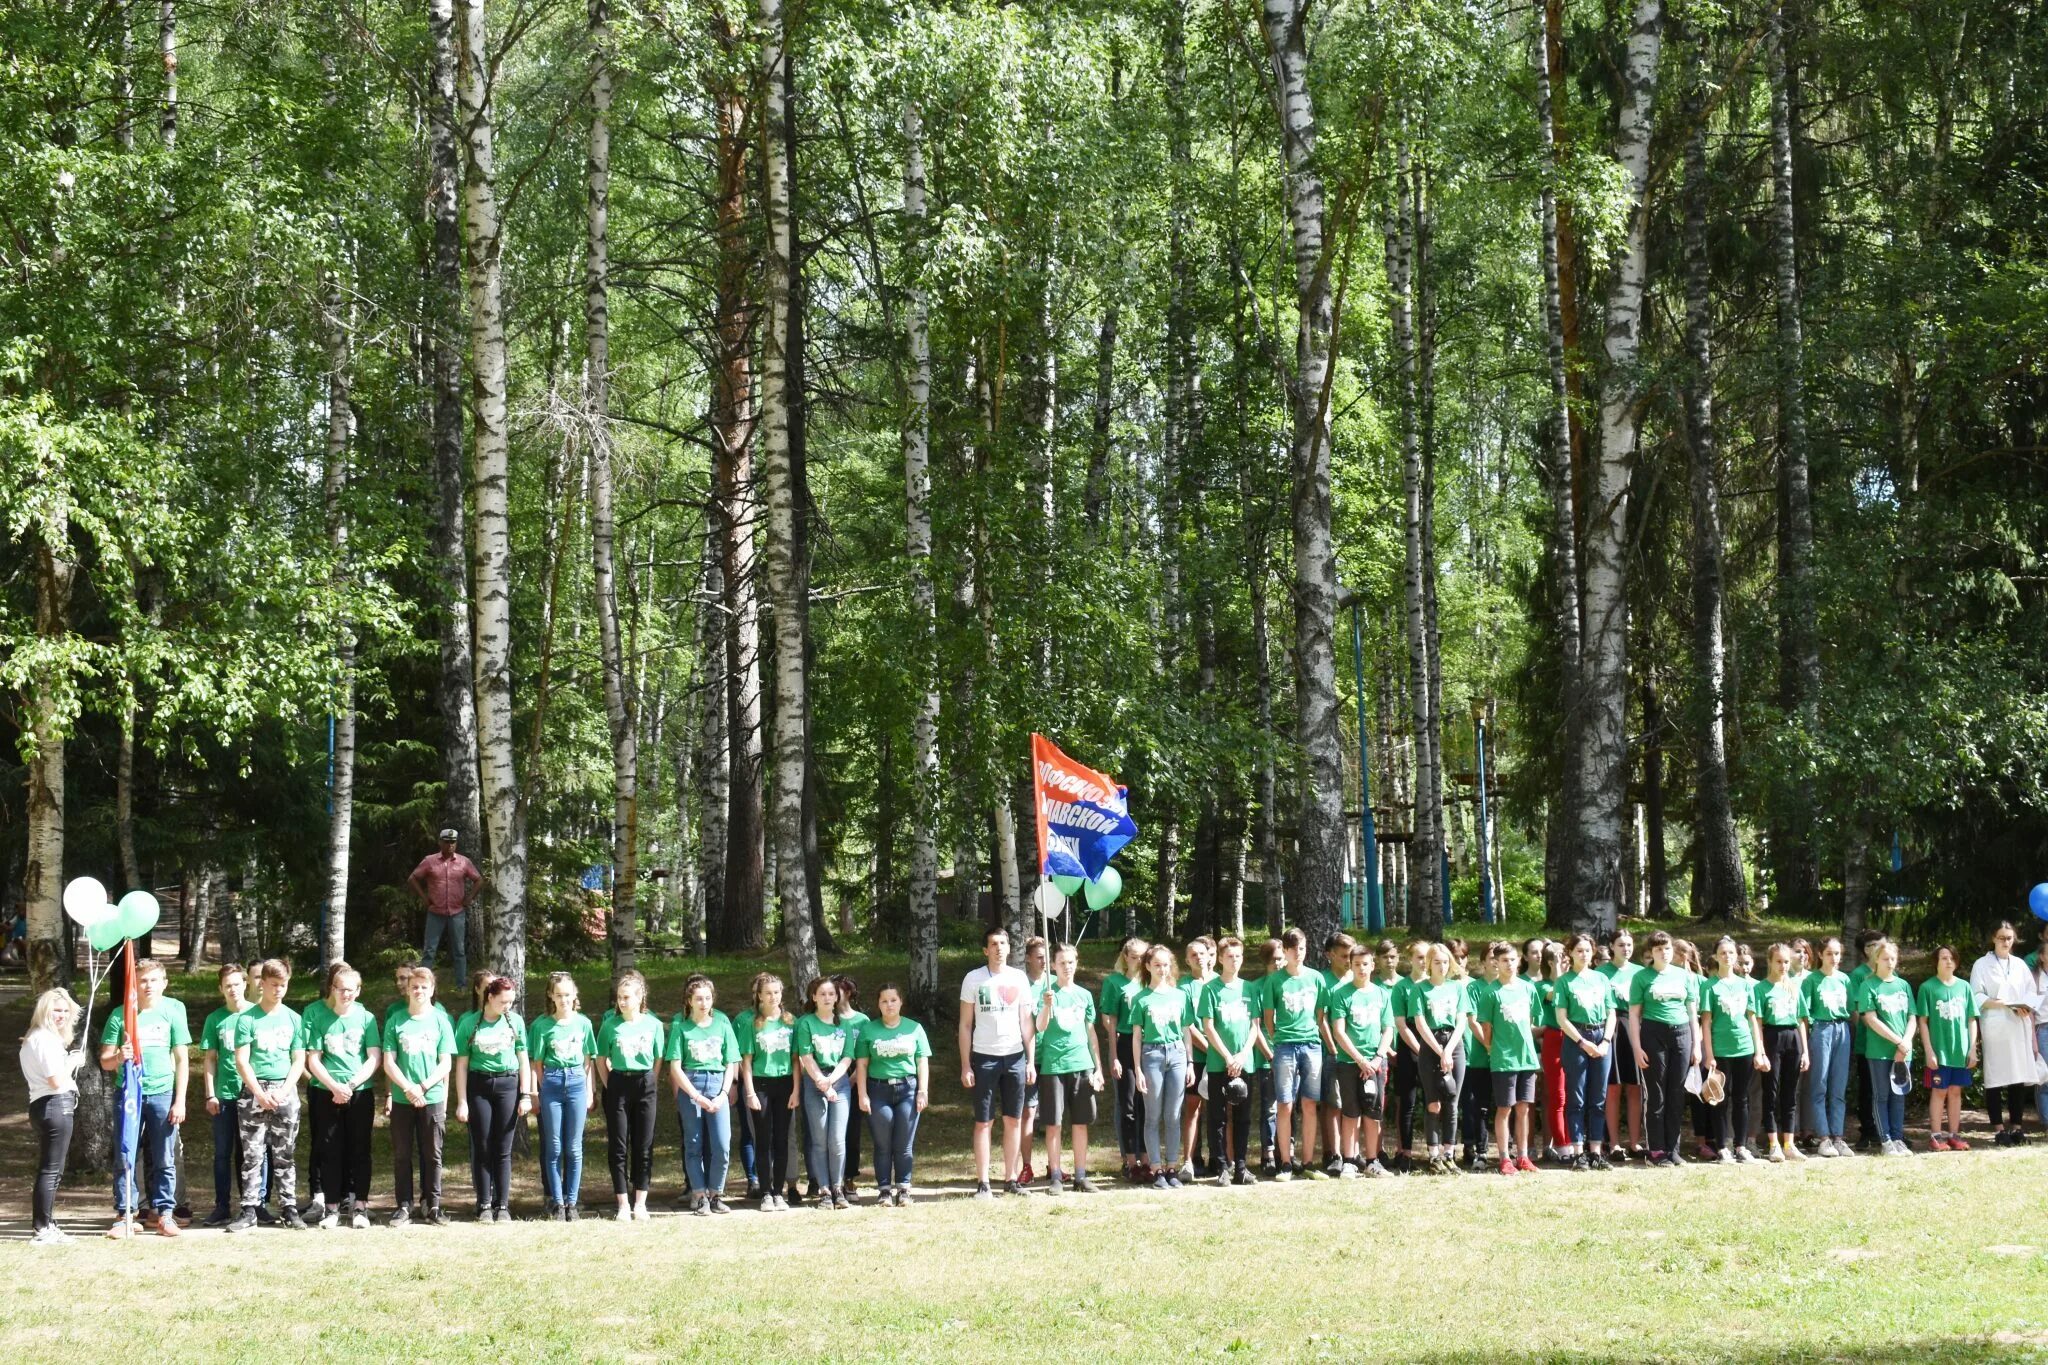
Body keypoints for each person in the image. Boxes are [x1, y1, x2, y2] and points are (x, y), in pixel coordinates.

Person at [97, 955, 190, 1239]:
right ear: (134, 984)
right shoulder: (120, 1014)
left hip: (162, 1093)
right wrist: (118, 1056)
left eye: (154, 980)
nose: (148, 985)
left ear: (164, 983)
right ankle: (126, 1214)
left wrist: (180, 1099)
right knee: (126, 1154)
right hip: (129, 1094)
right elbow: (104, 1061)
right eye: (142, 980)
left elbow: (182, 1058)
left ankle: (164, 1214)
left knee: (165, 1157)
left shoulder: (174, 1010)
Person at [227, 959, 306, 1232]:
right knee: (252, 1154)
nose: (279, 990)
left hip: (285, 1089)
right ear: (262, 984)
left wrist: (283, 1091)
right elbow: (242, 1061)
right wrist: (259, 1093)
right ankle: (249, 1209)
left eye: (283, 985)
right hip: (254, 1091)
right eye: (274, 985)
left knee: (285, 1154)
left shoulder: (294, 1018)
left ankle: (288, 1208)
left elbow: (298, 1060)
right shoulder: (247, 1019)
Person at [302, 962, 381, 1229]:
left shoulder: (366, 1018)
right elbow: (313, 1059)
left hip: (359, 1093)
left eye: (350, 990)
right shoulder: (319, 1018)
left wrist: (351, 1083)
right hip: (327, 1093)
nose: (345, 994)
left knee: (360, 1150)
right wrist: (335, 1087)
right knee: (330, 1150)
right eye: (340, 989)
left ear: (358, 991)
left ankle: (359, 1207)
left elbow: (373, 1057)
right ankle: (332, 1209)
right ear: (332, 989)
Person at [958, 926, 1036, 1198]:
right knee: (984, 1122)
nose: (999, 948)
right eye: (993, 943)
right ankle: (983, 1182)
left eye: (1003, 943)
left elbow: (1027, 1022)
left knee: (1013, 1119)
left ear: (1009, 948)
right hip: (984, 1057)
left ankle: (1011, 1179)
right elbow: (966, 1025)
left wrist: (1030, 1061)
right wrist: (966, 1064)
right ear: (985, 949)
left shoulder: (1019, 978)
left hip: (1015, 1057)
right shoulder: (973, 979)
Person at [454, 975, 531, 1222]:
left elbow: (524, 1061)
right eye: (503, 1001)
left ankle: (503, 1205)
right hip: (479, 1085)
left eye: (511, 1001)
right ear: (489, 997)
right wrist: (462, 1101)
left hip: (508, 1085)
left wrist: (526, 1095)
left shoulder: (515, 1022)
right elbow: (462, 1066)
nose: (507, 1006)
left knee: (503, 1149)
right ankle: (484, 1203)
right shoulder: (468, 1023)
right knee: (483, 1146)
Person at [384, 966, 456, 1226]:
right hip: (404, 1098)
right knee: (402, 1153)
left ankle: (433, 1205)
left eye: (424, 987)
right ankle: (404, 1205)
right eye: (415, 986)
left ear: (432, 990)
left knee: (432, 1154)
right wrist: (408, 1088)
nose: (419, 991)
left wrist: (423, 1087)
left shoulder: (441, 1021)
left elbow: (445, 1062)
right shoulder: (396, 1020)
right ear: (408, 989)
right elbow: (389, 1062)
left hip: (432, 1096)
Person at [666, 974, 740, 1214]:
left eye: (708, 998)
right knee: (694, 1143)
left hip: (718, 1083)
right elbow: (675, 1066)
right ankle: (699, 1195)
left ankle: (716, 1193)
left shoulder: (723, 1024)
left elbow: (731, 1062)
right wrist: (695, 1096)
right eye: (698, 998)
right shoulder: (681, 1027)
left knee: (721, 1144)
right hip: (692, 1084)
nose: (704, 1003)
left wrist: (723, 1093)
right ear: (689, 1001)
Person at [595, 970, 664, 1220]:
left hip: (645, 1084)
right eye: (619, 997)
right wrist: (610, 1084)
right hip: (618, 1085)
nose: (622, 1002)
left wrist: (651, 1079)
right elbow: (600, 1059)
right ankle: (623, 1203)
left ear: (639, 997)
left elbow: (658, 1057)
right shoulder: (609, 1025)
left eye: (627, 997)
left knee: (643, 1146)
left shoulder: (654, 1024)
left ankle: (640, 1203)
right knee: (619, 1146)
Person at [528, 971, 598, 1219]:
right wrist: (540, 1087)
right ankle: (557, 1202)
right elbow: (536, 1061)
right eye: (559, 995)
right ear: (551, 996)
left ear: (575, 995)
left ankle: (572, 1202)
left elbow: (589, 1059)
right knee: (554, 1146)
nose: (564, 999)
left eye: (568, 995)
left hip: (577, 1081)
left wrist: (590, 1090)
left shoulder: (584, 1023)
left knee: (574, 1147)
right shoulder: (541, 1025)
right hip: (553, 1082)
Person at [1628, 931, 1700, 1168]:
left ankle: (1673, 1149)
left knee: (1676, 1095)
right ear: (1651, 953)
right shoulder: (1641, 977)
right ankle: (1656, 1151)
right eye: (1658, 949)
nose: (1663, 953)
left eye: (1667, 948)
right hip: (1653, 1035)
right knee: (1656, 1095)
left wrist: (1696, 1046)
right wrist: (1637, 1048)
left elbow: (1692, 1013)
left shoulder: (1684, 976)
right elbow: (1634, 1015)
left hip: (1682, 1035)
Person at [1035, 942, 1104, 1194]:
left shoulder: (1084, 995)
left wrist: (1098, 1068)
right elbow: (1040, 1027)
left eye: (1071, 962)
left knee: (1081, 1122)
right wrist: (1046, 1005)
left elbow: (1091, 1033)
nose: (1067, 967)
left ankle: (1081, 1175)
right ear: (1053, 965)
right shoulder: (1046, 993)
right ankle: (1055, 1175)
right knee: (1053, 1123)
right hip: (1053, 1066)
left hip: (1081, 1064)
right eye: (1062, 963)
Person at [855, 983, 931, 1206]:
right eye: (884, 1001)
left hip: (908, 1089)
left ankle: (904, 1189)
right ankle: (884, 1190)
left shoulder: (914, 1028)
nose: (889, 1005)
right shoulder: (869, 1030)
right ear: (878, 1004)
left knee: (904, 1143)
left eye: (893, 1000)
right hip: (878, 1090)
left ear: (901, 1002)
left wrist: (922, 1091)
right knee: (883, 1144)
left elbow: (922, 1062)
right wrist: (862, 1094)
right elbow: (861, 1065)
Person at [1263, 928, 1329, 1180]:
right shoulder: (1274, 980)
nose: (1298, 954)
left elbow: (1320, 1015)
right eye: (1292, 950)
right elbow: (1269, 1019)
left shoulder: (1316, 978)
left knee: (1310, 1103)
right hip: (1285, 1047)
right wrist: (1279, 1038)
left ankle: (1309, 1162)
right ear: (1285, 951)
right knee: (1285, 1104)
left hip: (1311, 1045)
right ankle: (1287, 1163)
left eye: (1301, 948)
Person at [1327, 941, 1397, 1176]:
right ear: (1351, 965)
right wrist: (1359, 1060)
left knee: (1373, 1112)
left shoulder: (1381, 994)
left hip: (1376, 1063)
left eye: (1365, 964)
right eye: (1356, 964)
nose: (1361, 968)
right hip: (1349, 1063)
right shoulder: (1341, 994)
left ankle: (1373, 1161)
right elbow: (1339, 1031)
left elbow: (1389, 1029)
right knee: (1351, 1111)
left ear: (1372, 965)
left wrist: (1377, 1058)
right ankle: (1348, 1160)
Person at [1129, 944, 1195, 1189]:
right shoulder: (1141, 998)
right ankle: (1155, 1168)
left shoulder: (1180, 996)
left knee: (1174, 1115)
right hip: (1152, 1054)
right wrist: (1137, 1070)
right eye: (1156, 964)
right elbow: (1136, 1036)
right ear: (1147, 966)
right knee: (1153, 1115)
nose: (1162, 969)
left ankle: (1171, 1167)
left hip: (1177, 1053)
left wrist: (1190, 1062)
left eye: (1166, 964)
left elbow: (1187, 1031)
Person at [22, 988, 84, 1244]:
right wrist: (73, 1061)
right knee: (51, 1170)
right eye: (56, 1010)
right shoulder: (44, 1039)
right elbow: (56, 1080)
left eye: (65, 1011)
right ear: (44, 1010)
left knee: (52, 1169)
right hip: (54, 1104)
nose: (61, 1015)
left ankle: (47, 1224)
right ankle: (42, 1229)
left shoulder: (38, 1038)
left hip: (45, 1105)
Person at [1200, 936, 1263, 1186]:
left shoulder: (1250, 989)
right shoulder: (1211, 989)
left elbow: (1254, 1026)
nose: (1234, 961)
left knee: (1243, 1117)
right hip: (1219, 1063)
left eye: (1238, 956)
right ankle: (1222, 1167)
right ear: (1221, 959)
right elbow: (1208, 1026)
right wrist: (1227, 1056)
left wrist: (1243, 1054)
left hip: (1244, 1063)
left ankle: (1241, 1166)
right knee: (1217, 1117)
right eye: (1229, 956)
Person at [200, 965, 259, 1225]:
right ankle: (222, 1205)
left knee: (254, 1153)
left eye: (237, 984)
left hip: (254, 1093)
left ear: (246, 984)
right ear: (220, 989)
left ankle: (257, 1205)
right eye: (228, 985)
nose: (233, 989)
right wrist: (210, 1094)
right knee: (223, 1152)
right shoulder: (215, 1019)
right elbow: (210, 1059)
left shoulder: (257, 1015)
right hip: (224, 1094)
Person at [1552, 933, 1616, 1171]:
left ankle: (1596, 1152)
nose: (1583, 954)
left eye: (1587, 950)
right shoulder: (1564, 982)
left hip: (1602, 1038)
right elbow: (1561, 1018)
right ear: (1570, 953)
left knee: (1598, 1098)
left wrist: (1606, 1041)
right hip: (1575, 1039)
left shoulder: (1601, 979)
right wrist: (1582, 1042)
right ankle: (1579, 1153)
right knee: (1576, 1097)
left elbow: (1611, 1012)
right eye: (1579, 950)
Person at [1969, 922, 2036, 1145]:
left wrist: (2026, 1006)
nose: (2005, 942)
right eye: (2001, 937)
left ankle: (2016, 1127)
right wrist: (1998, 1004)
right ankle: (1999, 1129)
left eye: (2009, 938)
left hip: (2018, 1025)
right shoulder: (1982, 964)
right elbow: (1975, 995)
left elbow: (2030, 991)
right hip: (1995, 1025)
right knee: (1996, 1077)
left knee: (2017, 1076)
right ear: (1993, 939)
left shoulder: (2019, 965)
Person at [1475, 942, 1539, 1175]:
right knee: (1505, 1109)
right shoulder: (1490, 993)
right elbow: (1486, 1029)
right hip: (1504, 1060)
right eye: (1504, 960)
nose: (1509, 964)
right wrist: (1494, 1049)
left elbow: (1531, 1022)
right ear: (1496, 963)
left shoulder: (1528, 989)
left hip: (1527, 1059)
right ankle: (1504, 1158)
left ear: (1518, 961)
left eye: (1512, 959)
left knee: (1524, 1108)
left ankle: (1522, 1156)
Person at [1699, 936, 1763, 1163]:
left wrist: (1759, 1051)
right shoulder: (1709, 985)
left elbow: (1753, 1019)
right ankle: (1722, 1147)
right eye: (1723, 953)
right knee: (1719, 1099)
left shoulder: (1746, 984)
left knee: (1741, 1098)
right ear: (1716, 956)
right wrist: (1709, 1054)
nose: (1727, 956)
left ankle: (1741, 1146)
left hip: (1744, 1048)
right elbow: (1705, 1022)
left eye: (1731, 953)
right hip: (1720, 1050)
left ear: (1737, 956)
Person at [739, 973, 798, 1210]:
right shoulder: (752, 1023)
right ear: (759, 996)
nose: (773, 997)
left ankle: (778, 1192)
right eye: (768, 993)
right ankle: (765, 1192)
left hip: (785, 1085)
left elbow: (796, 1060)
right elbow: (747, 1062)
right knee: (763, 1140)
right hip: (761, 1085)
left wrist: (796, 1090)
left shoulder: (792, 1021)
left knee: (782, 1139)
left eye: (777, 992)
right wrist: (750, 1093)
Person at [795, 976, 855, 1209]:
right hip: (814, 1082)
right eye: (823, 994)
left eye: (832, 994)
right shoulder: (806, 1023)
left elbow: (847, 1057)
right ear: (814, 997)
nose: (828, 998)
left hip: (838, 1082)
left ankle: (838, 1188)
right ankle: (823, 1190)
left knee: (837, 1140)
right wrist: (821, 1081)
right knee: (819, 1140)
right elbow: (806, 1056)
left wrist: (831, 1081)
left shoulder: (845, 1025)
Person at [1854, 938, 1915, 1156]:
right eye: (1885, 958)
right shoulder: (1867, 985)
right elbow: (1870, 1019)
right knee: (1881, 1095)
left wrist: (1906, 1041)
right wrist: (1896, 1041)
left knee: (1899, 1095)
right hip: (1879, 1051)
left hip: (1903, 1051)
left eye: (1893, 959)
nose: (1890, 963)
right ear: (1876, 959)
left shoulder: (1903, 985)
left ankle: (1898, 1138)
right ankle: (1886, 1139)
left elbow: (1912, 1017)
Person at [1097, 936, 1149, 1182]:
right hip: (1125, 1043)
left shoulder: (1151, 982)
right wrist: (1115, 1056)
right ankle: (1130, 1160)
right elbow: (1109, 1019)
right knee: (1127, 1106)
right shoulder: (1114, 982)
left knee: (1146, 1106)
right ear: (1125, 957)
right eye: (1134, 956)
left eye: (1142, 957)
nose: (1138, 961)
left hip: (1150, 1045)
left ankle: (1147, 1158)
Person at [1917, 945, 1979, 1151]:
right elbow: (1923, 1022)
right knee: (1939, 1091)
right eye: (1944, 958)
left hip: (1959, 1052)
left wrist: (1972, 1049)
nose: (1948, 961)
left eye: (1952, 958)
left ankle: (1954, 1135)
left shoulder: (1964, 987)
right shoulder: (1927, 988)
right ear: (1936, 961)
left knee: (1955, 1092)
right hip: (1939, 1051)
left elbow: (1972, 1020)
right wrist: (1929, 1051)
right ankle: (1936, 1136)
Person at [1753, 944, 1810, 1163]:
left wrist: (1805, 1051)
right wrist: (1761, 1051)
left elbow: (1802, 1021)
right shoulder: (1760, 989)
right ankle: (1773, 1144)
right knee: (1771, 1092)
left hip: (1793, 1038)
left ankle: (1789, 1143)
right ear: (1769, 962)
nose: (1783, 966)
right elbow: (1757, 1022)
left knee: (1790, 1094)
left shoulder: (1795, 987)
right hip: (1772, 1038)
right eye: (1778, 961)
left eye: (1786, 962)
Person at [1800, 936, 1856, 1157]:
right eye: (1830, 953)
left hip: (1842, 1030)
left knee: (1839, 1086)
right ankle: (1823, 1138)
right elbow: (1803, 1016)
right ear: (1821, 955)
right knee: (1819, 1084)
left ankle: (1838, 1137)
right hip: (1821, 1031)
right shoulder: (1811, 980)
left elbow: (1852, 1010)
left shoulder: (1845, 980)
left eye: (1837, 954)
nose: (1834, 958)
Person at [408, 828, 481, 985]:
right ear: (440, 842)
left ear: (456, 843)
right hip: (435, 912)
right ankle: (423, 984)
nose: (450, 845)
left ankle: (461, 985)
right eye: (446, 842)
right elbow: (412, 878)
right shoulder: (429, 861)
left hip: (457, 912)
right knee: (429, 951)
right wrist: (424, 898)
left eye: (453, 842)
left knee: (459, 951)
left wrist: (469, 898)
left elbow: (479, 880)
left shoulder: (464, 862)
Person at [1180, 936, 1218, 1178]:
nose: (1198, 958)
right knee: (1193, 1106)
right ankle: (1190, 1160)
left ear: (1210, 956)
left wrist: (1218, 1049)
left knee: (1219, 1108)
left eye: (1202, 953)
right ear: (1187, 960)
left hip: (1220, 1053)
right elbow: (1188, 1025)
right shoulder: (1182, 987)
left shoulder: (1219, 983)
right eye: (1193, 955)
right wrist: (1208, 1046)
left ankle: (1221, 1157)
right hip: (1198, 1053)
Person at [1459, 946, 1495, 1172]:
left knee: (1500, 1104)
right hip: (1478, 1055)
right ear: (1483, 962)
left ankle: (1505, 1146)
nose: (1495, 962)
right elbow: (1472, 1022)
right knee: (1475, 1104)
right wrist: (1490, 1046)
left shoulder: (1510, 987)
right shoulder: (1473, 988)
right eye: (1491, 958)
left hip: (1503, 1058)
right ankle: (1474, 1147)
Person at [1019, 937, 1051, 1183]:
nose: (1044, 961)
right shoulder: (1021, 985)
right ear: (1028, 958)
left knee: (1053, 1114)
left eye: (1046, 956)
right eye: (1039, 956)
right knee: (1028, 1112)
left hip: (1053, 1057)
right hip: (1028, 1057)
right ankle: (1027, 1166)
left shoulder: (1055, 984)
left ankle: (1054, 1165)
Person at [833, 974, 867, 1195]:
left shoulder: (862, 1021)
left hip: (855, 1083)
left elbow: (867, 1054)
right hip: (829, 1081)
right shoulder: (826, 1019)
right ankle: (823, 1179)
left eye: (837, 990)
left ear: (848, 992)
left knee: (851, 1133)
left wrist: (853, 1078)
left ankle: (849, 1178)